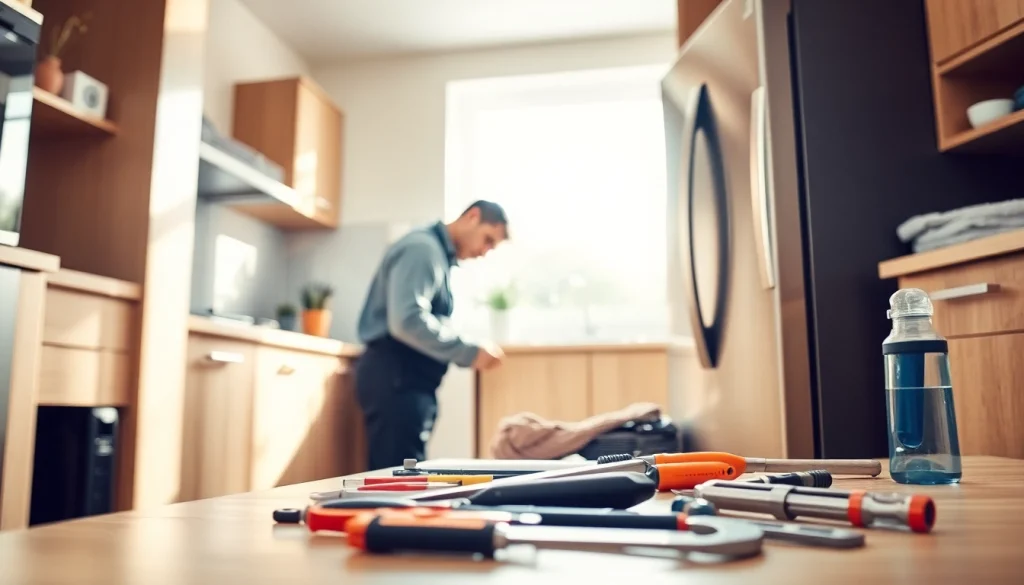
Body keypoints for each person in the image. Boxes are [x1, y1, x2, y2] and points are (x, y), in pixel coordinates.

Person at [354, 200, 509, 470]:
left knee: (402, 478)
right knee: (397, 483)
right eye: (487, 240)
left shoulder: (434, 253)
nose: (484, 252)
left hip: (403, 380)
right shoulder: (422, 249)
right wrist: (469, 352)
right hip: (397, 378)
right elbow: (407, 321)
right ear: (472, 217)